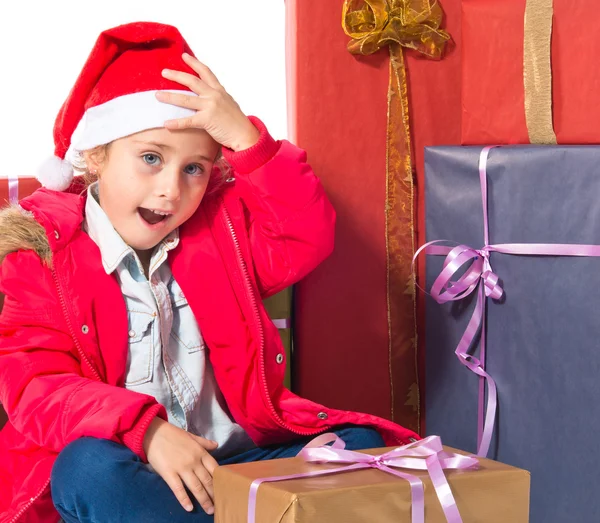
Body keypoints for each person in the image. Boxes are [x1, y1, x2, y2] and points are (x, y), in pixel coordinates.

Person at [0, 22, 419, 523]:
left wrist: (245, 138)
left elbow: (305, 237)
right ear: (96, 156)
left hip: (233, 463)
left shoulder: (221, 232)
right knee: (85, 469)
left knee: (357, 446)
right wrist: (148, 432)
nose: (171, 191)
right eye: (151, 159)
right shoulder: (43, 254)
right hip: (137, 465)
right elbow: (37, 385)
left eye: (194, 168)